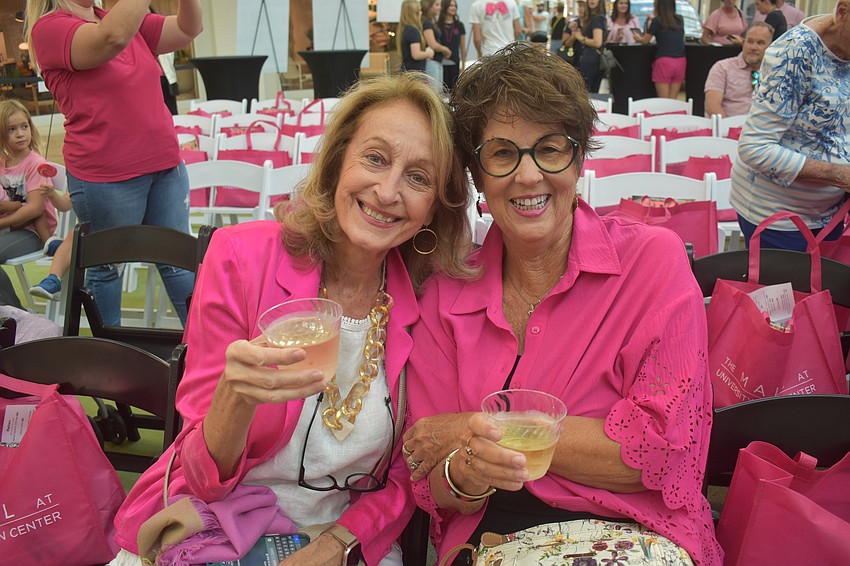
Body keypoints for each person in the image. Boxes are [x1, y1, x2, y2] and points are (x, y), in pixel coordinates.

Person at [110, 74, 474, 566]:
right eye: (375, 158)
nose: (388, 191)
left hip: (342, 533)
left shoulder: (429, 301)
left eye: (418, 177)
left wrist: (334, 545)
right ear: (339, 160)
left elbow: (412, 471)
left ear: (433, 208)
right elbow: (201, 476)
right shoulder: (241, 257)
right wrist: (232, 400)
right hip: (216, 518)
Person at [401, 43, 722, 566]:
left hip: (632, 533)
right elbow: (430, 482)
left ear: (578, 156)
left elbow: (661, 452)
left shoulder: (651, 264)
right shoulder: (446, 293)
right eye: (503, 154)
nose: (528, 176)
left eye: (550, 148)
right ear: (478, 177)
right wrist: (466, 474)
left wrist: (476, 428)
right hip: (490, 543)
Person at [26, 0, 201, 328]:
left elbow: (188, 29)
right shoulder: (50, 28)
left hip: (164, 166)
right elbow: (111, 39)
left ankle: (204, 353)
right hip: (107, 177)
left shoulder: (119, 18)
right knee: (107, 268)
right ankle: (114, 361)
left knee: (180, 262)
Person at [730, 0, 850, 252]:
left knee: (823, 289)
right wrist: (840, 175)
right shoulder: (794, 53)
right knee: (789, 291)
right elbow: (755, 148)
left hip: (831, 212)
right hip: (779, 218)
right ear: (842, 12)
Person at [0, 100, 57, 302]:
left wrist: (2, 222)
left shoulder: (35, 164)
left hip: (34, 232)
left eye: (24, 127)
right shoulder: (2, 163)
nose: (20, 133)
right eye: (11, 129)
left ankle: (15, 317)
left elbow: (34, 209)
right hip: (11, 228)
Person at [704, 22, 774, 118]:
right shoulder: (722, 68)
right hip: (728, 128)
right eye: (750, 41)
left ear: (770, 47)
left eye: (760, 43)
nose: (753, 47)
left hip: (763, 130)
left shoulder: (775, 73)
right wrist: (731, 130)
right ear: (743, 42)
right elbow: (712, 106)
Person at [633, 0, 686, 99]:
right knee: (673, 101)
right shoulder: (680, 19)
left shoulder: (657, 21)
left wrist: (637, 37)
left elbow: (645, 40)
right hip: (680, 61)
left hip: (664, 62)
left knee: (663, 102)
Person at [29, 187, 73, 301]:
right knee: (78, 232)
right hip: (90, 231)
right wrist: (52, 194)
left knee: (78, 236)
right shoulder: (85, 176)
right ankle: (53, 280)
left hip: (115, 233)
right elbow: (65, 204)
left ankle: (62, 247)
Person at [567, 0, 607, 93]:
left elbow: (597, 42)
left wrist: (581, 38)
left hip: (591, 61)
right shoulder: (592, 19)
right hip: (590, 60)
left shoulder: (597, 19)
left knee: (586, 93)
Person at [422, 0, 452, 87]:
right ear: (429, 6)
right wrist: (446, 50)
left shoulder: (432, 22)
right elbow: (432, 44)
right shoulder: (427, 23)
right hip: (431, 61)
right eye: (437, 5)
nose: (440, 7)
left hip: (437, 60)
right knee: (434, 91)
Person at [400, 0, 435, 73]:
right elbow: (416, 54)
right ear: (413, 14)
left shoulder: (405, 29)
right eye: (419, 11)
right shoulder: (413, 31)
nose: (421, 13)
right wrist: (428, 53)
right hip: (415, 73)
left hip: (408, 72)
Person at [439, 0, 466, 90]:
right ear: (445, 7)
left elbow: (462, 46)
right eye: (451, 5)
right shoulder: (438, 25)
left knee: (453, 91)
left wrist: (463, 66)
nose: (453, 8)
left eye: (455, 6)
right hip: (441, 63)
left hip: (454, 62)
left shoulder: (459, 25)